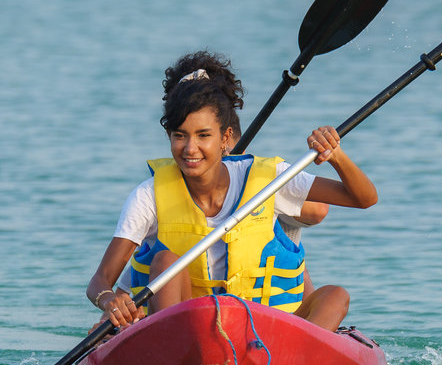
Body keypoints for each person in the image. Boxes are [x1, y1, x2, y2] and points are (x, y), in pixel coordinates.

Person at [86, 51, 378, 333]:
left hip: (266, 333)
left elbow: (364, 199)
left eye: (203, 135)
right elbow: (100, 281)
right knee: (165, 261)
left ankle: (303, 353)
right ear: (169, 136)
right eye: (179, 136)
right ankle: (172, 346)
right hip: (185, 333)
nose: (190, 149)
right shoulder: (148, 196)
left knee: (336, 296)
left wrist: (336, 156)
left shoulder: (269, 178)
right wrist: (109, 301)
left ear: (226, 137)